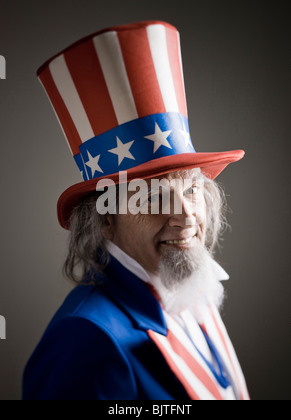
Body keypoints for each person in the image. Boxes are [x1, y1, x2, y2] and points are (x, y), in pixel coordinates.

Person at [23, 20, 249, 400]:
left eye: (192, 189)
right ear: (105, 220)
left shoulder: (190, 291)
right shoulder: (83, 340)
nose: (187, 215)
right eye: (154, 197)